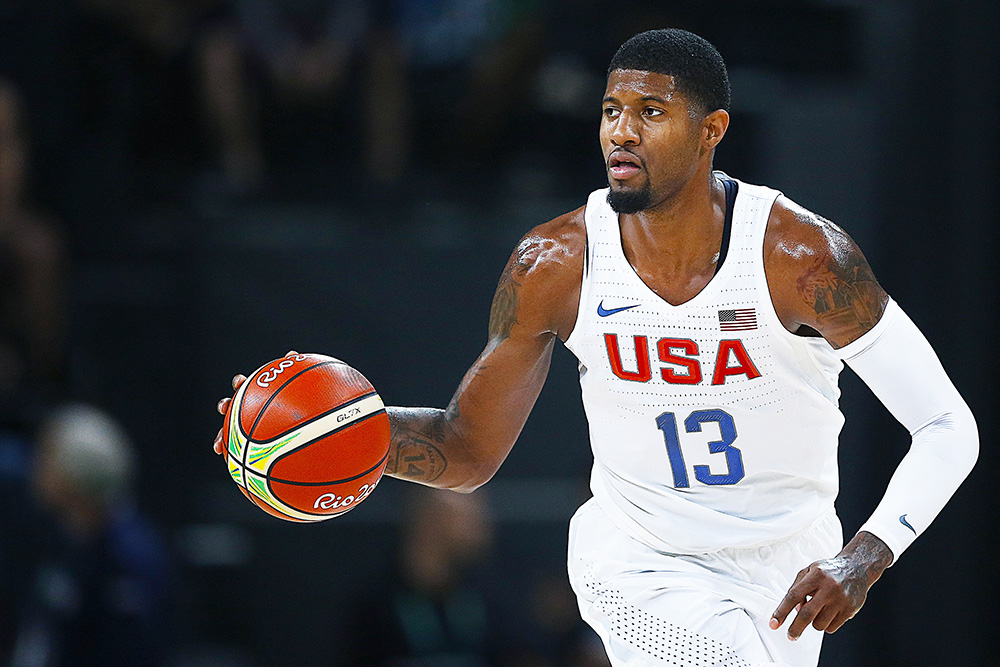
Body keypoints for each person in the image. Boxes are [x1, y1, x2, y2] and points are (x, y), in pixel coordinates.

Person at [213, 29, 978, 666]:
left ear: (711, 131)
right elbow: (466, 448)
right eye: (612, 109)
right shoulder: (554, 264)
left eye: (651, 111)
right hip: (635, 563)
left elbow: (948, 426)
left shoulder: (805, 261)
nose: (621, 129)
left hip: (784, 573)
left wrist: (867, 553)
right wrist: (316, 433)